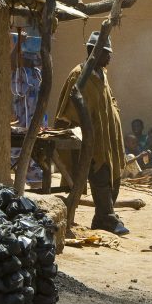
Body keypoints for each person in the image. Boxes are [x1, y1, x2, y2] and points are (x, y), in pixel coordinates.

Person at [56, 32, 128, 235]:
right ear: (93, 52)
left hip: (108, 137)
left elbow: (109, 99)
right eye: (106, 53)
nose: (110, 57)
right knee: (100, 176)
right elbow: (70, 108)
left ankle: (103, 215)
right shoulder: (80, 75)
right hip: (92, 138)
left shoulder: (101, 74)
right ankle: (106, 217)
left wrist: (114, 113)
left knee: (114, 175)